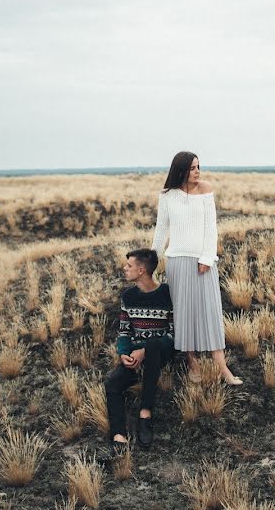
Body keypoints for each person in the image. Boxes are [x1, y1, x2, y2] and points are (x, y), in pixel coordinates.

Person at [151, 151, 242, 385]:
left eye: (198, 166)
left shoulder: (205, 189)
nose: (198, 171)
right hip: (177, 262)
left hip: (204, 262)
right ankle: (192, 363)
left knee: (210, 313)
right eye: (192, 168)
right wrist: (151, 261)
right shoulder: (167, 196)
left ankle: (223, 369)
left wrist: (207, 258)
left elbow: (211, 228)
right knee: (184, 314)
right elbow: (161, 231)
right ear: (180, 169)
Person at [104, 249, 174, 452]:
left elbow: (173, 334)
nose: (124, 269)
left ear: (141, 270)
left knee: (152, 345)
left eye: (129, 266)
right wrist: (124, 353)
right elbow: (124, 331)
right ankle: (119, 438)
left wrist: (144, 351)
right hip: (135, 356)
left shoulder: (167, 294)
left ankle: (145, 414)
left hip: (160, 352)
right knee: (113, 382)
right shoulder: (128, 296)